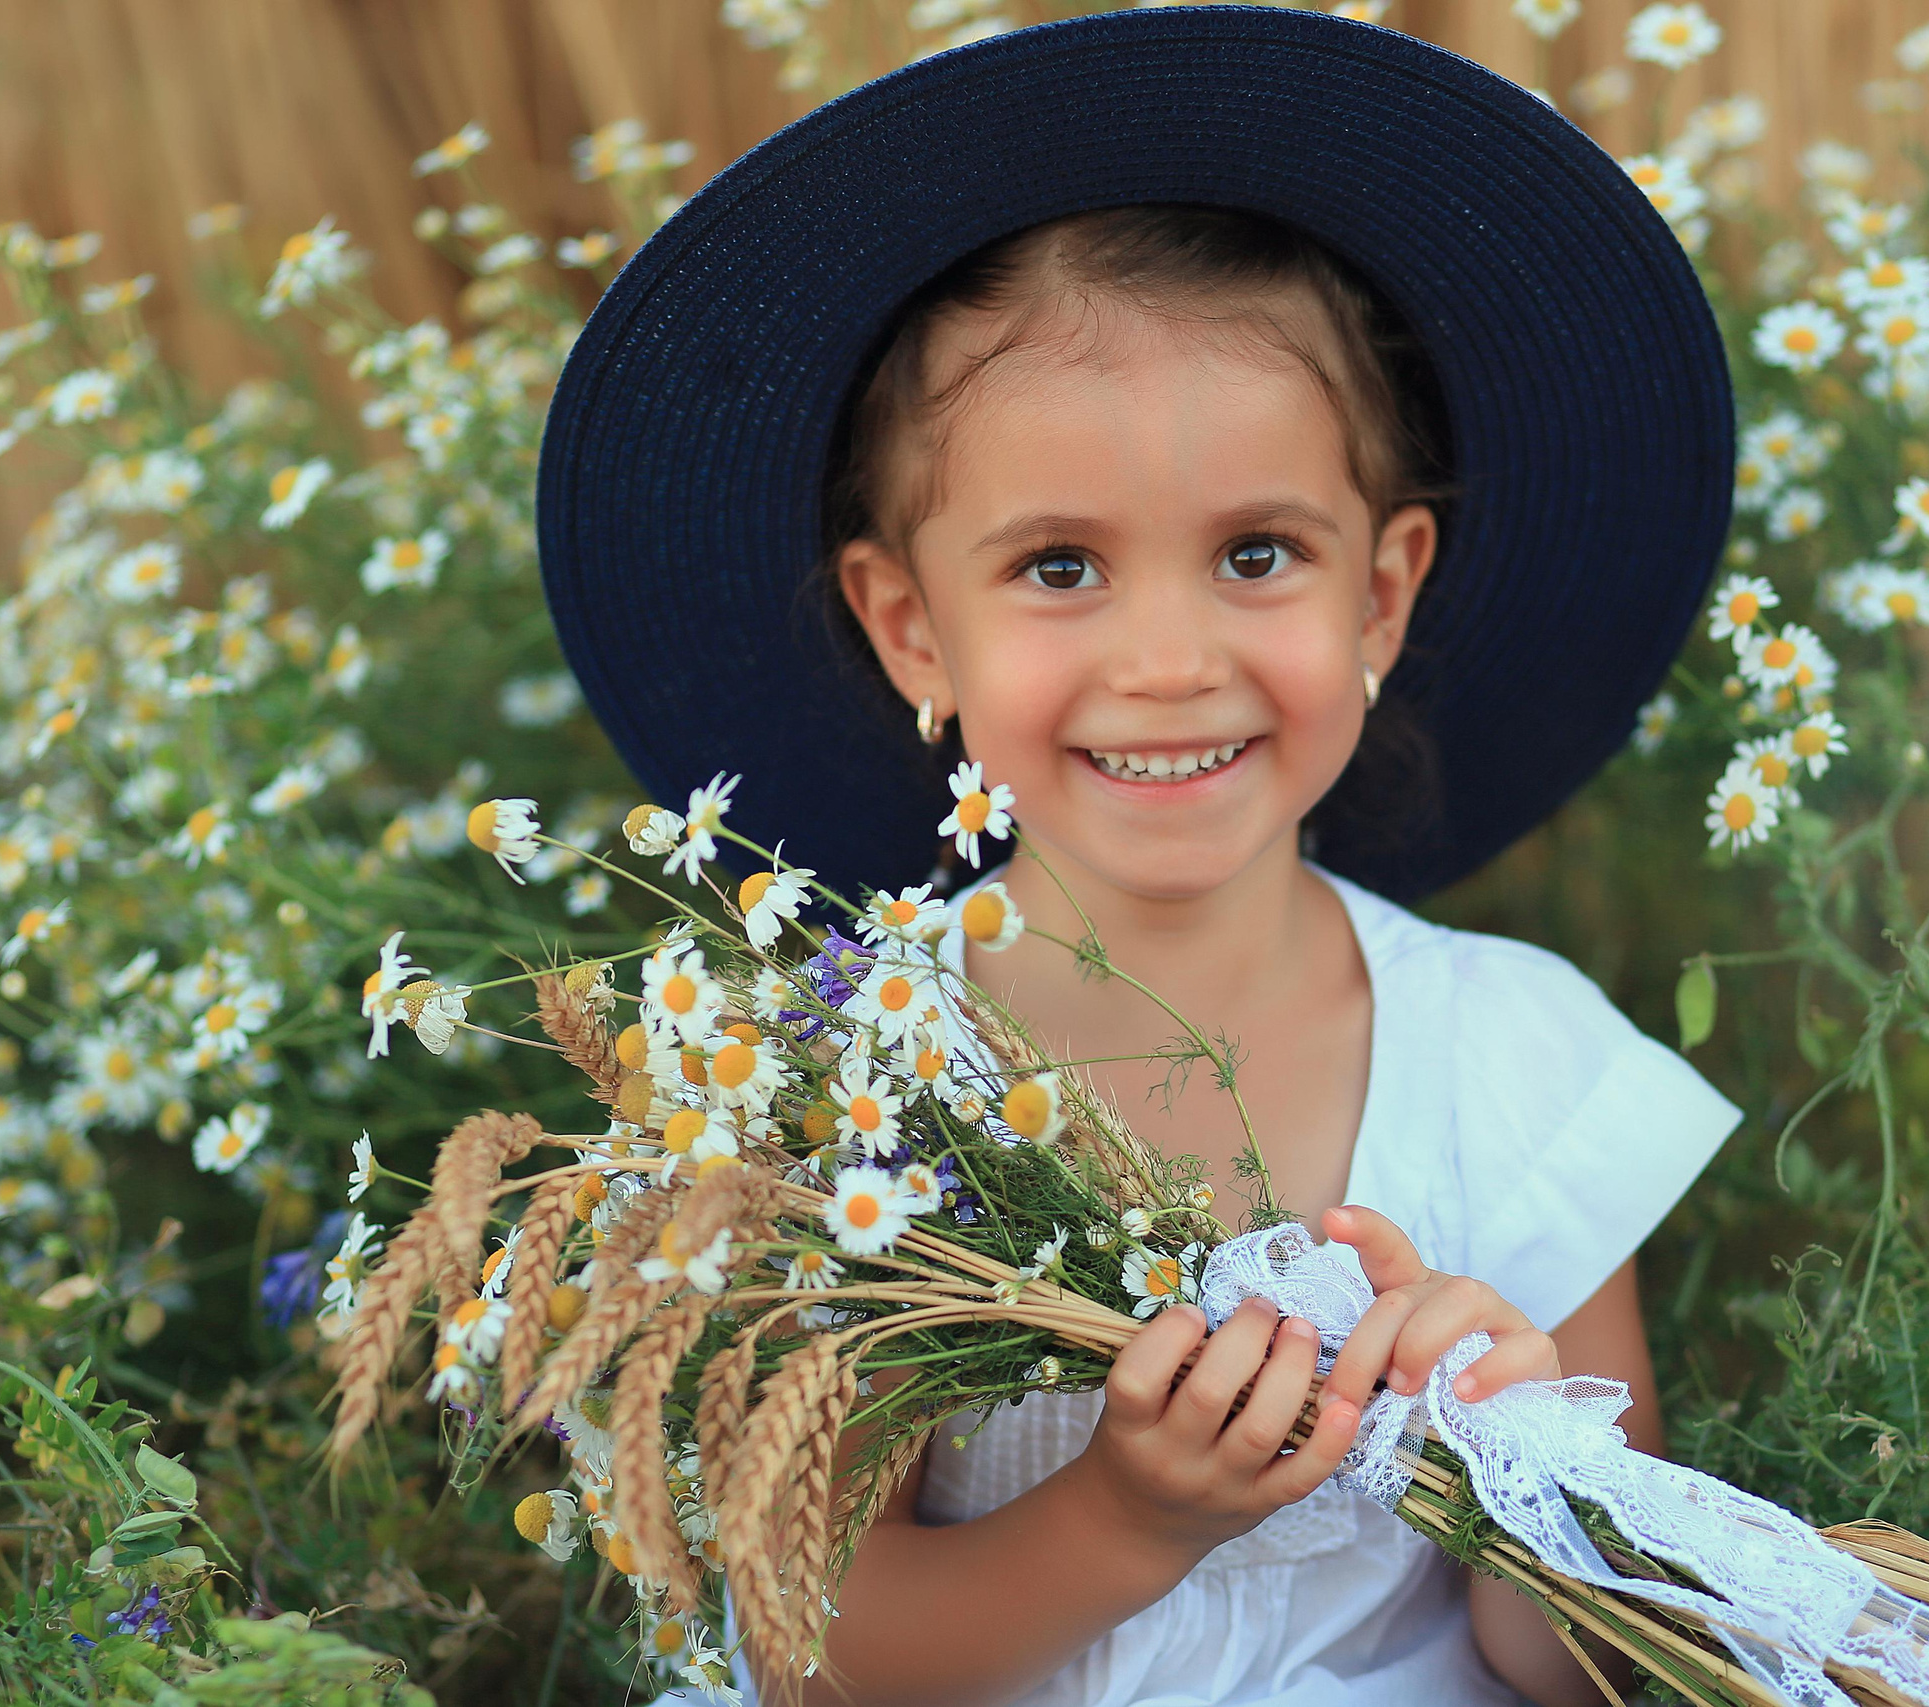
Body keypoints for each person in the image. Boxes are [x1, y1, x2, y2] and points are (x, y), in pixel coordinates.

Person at [533, 10, 1742, 1704]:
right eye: (1057, 568)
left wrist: (1520, 1466)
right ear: (911, 629)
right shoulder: (853, 1085)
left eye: (1259, 552)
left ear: (1381, 593)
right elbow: (821, 1664)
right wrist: (1124, 1515)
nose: (1169, 660)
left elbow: (1592, 1674)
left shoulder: (1516, 1058)